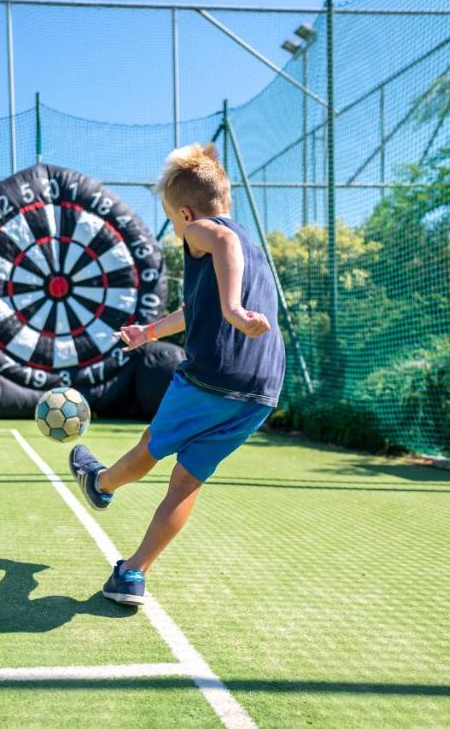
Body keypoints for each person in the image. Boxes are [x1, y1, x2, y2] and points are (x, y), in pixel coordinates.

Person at [69, 142, 285, 606]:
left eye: (173, 222)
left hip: (215, 373)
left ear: (186, 215)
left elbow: (220, 252)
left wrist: (232, 311)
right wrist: (149, 332)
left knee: (151, 446)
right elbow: (195, 308)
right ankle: (131, 574)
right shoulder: (246, 243)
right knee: (186, 483)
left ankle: (100, 484)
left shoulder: (211, 233)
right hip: (261, 388)